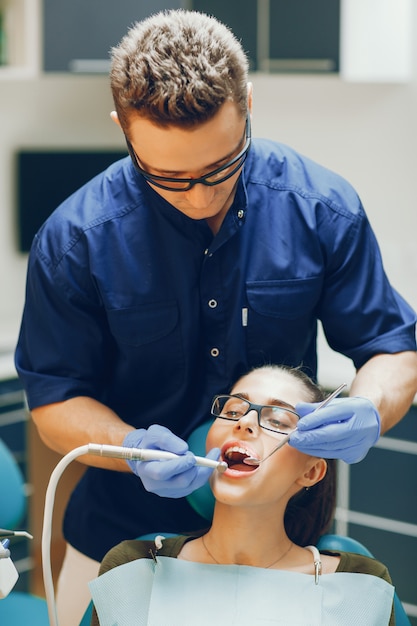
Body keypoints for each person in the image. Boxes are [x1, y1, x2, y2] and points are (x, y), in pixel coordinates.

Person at [14, 8, 417, 624]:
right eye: (171, 178)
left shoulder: (320, 209)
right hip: (116, 535)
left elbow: (391, 348)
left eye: (223, 166)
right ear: (123, 127)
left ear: (248, 103)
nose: (203, 197)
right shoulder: (76, 241)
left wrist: (372, 408)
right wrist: (130, 450)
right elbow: (54, 401)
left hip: (280, 541)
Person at [89, 365, 395, 626]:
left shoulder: (361, 585)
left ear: (310, 472)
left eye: (277, 420)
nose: (244, 422)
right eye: (232, 410)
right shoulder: (134, 568)